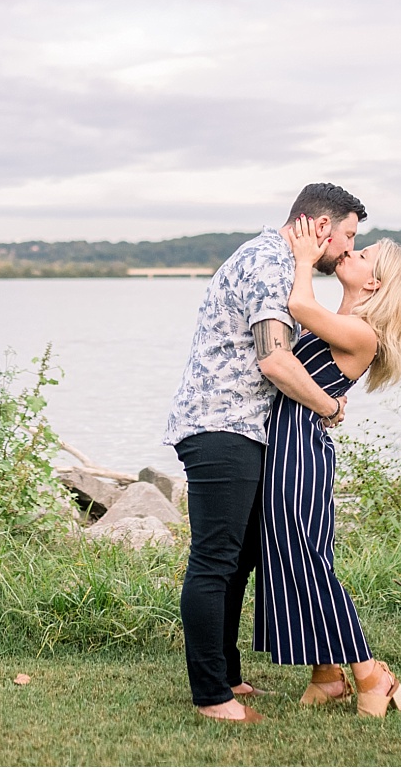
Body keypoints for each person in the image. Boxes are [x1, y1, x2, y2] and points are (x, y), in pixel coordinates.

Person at [161, 183, 367, 724]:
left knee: (241, 556)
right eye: (347, 236)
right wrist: (328, 406)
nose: (347, 249)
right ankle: (212, 697)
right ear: (319, 226)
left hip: (242, 427)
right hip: (220, 425)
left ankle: (225, 672)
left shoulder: (280, 261)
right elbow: (275, 360)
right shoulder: (269, 264)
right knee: (214, 560)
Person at [252, 217, 401, 717]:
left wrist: (304, 258)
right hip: (290, 444)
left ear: (375, 283)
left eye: (363, 255)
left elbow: (297, 305)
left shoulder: (361, 333)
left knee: (304, 558)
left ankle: (371, 673)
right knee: (292, 557)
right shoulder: (344, 319)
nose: (350, 253)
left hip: (300, 448)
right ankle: (327, 676)